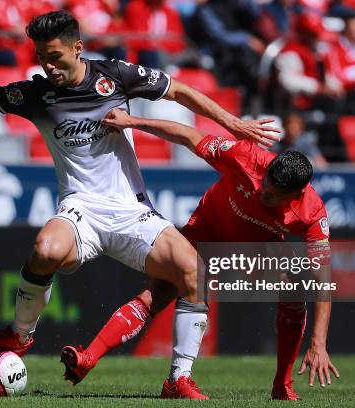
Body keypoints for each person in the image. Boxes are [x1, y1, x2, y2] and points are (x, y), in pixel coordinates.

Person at [0, 10, 278, 399]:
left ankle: (178, 380)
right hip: (80, 208)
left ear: (78, 48)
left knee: (195, 272)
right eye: (41, 56)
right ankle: (21, 336)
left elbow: (180, 91)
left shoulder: (116, 76)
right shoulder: (37, 94)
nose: (48, 65)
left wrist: (233, 124)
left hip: (131, 210)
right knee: (44, 249)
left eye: (55, 56)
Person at [60, 107, 339, 401]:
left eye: (271, 194)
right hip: (205, 231)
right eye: (265, 180)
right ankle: (89, 358)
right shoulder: (246, 157)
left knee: (295, 285)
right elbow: (187, 135)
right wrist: (133, 122)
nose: (262, 190)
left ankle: (282, 385)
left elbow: (322, 280)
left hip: (256, 247)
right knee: (157, 294)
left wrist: (318, 344)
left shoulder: (311, 212)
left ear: (295, 195)